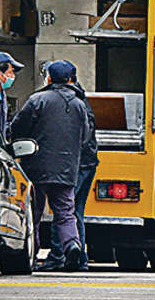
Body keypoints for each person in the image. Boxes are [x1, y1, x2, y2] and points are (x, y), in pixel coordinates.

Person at [10, 60, 89, 271]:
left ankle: (31, 255)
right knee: (65, 211)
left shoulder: (37, 100)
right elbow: (85, 137)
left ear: (50, 78)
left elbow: (18, 127)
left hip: (36, 167)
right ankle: (72, 245)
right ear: (70, 80)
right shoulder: (80, 105)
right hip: (67, 168)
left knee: (33, 213)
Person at [39, 61, 99, 271]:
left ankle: (60, 255)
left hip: (76, 163)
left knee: (64, 209)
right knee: (74, 211)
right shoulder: (80, 99)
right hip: (87, 161)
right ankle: (78, 256)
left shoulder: (69, 101)